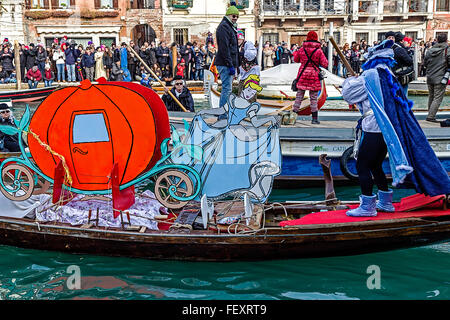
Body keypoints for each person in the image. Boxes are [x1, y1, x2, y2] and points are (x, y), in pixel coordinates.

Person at [341, 39, 450, 217]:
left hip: (375, 126)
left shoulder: (371, 75)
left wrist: (349, 81)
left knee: (362, 165)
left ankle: (367, 206)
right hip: (385, 128)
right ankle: (385, 202)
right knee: (375, 165)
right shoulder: (387, 73)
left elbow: (349, 95)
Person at [292, 31, 328, 124]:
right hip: (314, 76)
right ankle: (314, 119)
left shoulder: (302, 49)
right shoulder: (319, 51)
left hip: (302, 74)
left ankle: (293, 117)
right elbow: (325, 64)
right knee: (313, 98)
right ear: (316, 39)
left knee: (299, 97)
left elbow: (295, 59)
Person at [215, 2, 239, 110]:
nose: (235, 18)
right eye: (234, 16)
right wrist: (230, 64)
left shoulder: (229, 26)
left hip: (227, 63)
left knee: (227, 88)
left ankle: (225, 112)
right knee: (227, 89)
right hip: (225, 63)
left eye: (237, 16)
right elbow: (224, 48)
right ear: (228, 15)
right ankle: (223, 114)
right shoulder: (224, 27)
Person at [424, 33, 450, 123]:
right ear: (446, 40)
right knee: (438, 97)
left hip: (430, 76)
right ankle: (431, 116)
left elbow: (425, 63)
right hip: (441, 77)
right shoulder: (447, 49)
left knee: (431, 96)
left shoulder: (430, 50)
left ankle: (429, 114)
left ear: (437, 40)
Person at [385, 31, 414, 96]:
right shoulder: (399, 49)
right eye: (389, 37)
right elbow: (409, 61)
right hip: (400, 75)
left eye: (393, 37)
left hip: (391, 75)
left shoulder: (386, 48)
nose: (391, 39)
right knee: (403, 95)